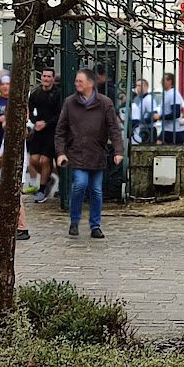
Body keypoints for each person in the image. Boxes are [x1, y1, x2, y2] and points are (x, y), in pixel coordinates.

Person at [55, 68, 124, 239]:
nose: (77, 84)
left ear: (90, 83)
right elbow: (60, 130)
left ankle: (95, 225)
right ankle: (74, 220)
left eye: (80, 81)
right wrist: (61, 152)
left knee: (96, 191)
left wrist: (118, 150)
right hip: (77, 152)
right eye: (76, 81)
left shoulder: (105, 103)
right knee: (80, 184)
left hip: (97, 153)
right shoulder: (70, 103)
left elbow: (114, 129)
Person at [27, 67, 62, 203]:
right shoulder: (35, 93)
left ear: (53, 79)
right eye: (44, 76)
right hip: (38, 131)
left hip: (52, 131)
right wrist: (35, 122)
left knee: (45, 160)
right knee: (34, 160)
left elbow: (60, 113)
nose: (46, 79)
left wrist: (46, 123)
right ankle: (47, 178)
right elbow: (30, 111)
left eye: (49, 76)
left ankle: (42, 189)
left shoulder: (58, 94)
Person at [158, 72, 184, 144]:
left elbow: (176, 113)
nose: (161, 82)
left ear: (170, 82)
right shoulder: (168, 93)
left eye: (163, 80)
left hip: (174, 130)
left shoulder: (173, 94)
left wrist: (160, 117)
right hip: (167, 129)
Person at [130, 79, 160, 146]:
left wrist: (140, 122)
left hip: (149, 129)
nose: (137, 88)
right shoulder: (139, 99)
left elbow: (154, 116)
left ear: (146, 87)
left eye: (139, 86)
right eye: (136, 86)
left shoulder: (149, 99)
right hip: (143, 129)